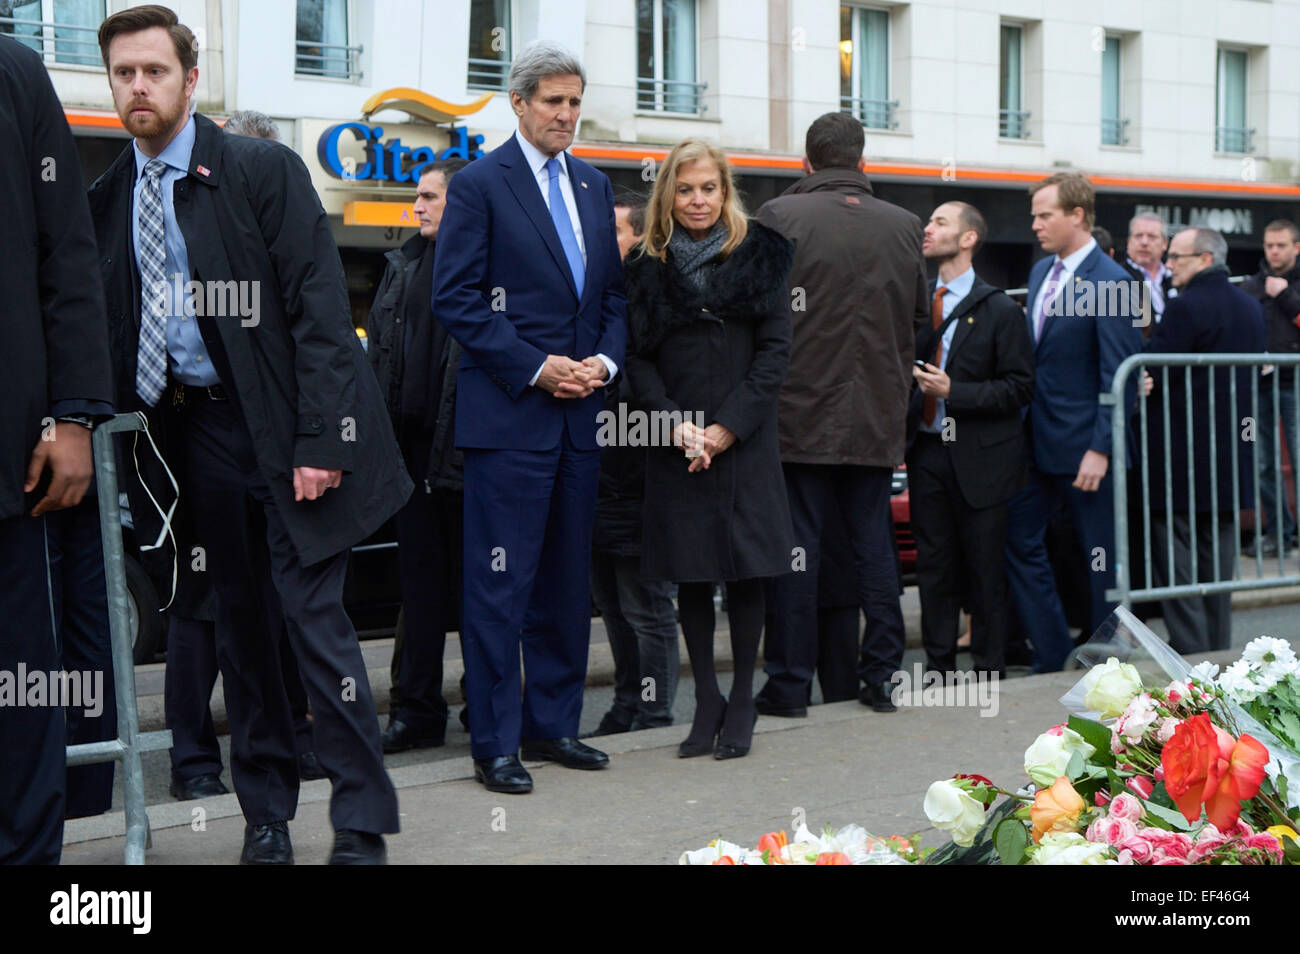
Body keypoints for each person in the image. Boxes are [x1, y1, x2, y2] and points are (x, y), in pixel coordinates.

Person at [87, 5, 409, 864]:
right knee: (239, 629)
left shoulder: (259, 169)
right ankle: (265, 816)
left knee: (316, 627)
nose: (139, 87)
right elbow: (107, 331)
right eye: (125, 74)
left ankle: (361, 821)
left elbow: (319, 311)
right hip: (199, 438)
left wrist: (321, 441)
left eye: (155, 71)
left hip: (292, 428)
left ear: (191, 81)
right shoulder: (110, 197)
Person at [432, 41, 626, 794]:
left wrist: (602, 366)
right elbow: (455, 298)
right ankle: (496, 743)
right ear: (519, 104)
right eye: (554, 101)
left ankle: (554, 727)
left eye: (575, 102)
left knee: (564, 585)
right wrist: (538, 366)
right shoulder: (480, 185)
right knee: (497, 589)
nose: (567, 114)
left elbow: (611, 298)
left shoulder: (591, 183)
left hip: (580, 419)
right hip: (511, 419)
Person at [624, 137, 794, 760]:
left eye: (710, 188)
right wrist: (673, 425)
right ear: (668, 193)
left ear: (727, 192)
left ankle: (743, 699)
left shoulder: (763, 255)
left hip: (742, 439)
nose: (698, 200)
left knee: (747, 569)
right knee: (691, 573)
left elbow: (776, 355)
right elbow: (635, 359)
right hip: (677, 441)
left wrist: (727, 429)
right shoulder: (644, 267)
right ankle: (706, 701)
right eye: (687, 189)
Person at [753, 111, 925, 715]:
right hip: (877, 413)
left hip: (797, 415)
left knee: (797, 551)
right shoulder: (904, 226)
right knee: (873, 547)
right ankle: (880, 678)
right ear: (862, 160)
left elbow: (755, 313)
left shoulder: (780, 215)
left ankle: (791, 685)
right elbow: (917, 320)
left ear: (806, 161)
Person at [0, 34, 114, 865]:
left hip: (10, 462)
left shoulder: (12, 68)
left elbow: (66, 253)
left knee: (18, 693)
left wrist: (73, 415)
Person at [1005, 172, 1142, 672]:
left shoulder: (1115, 281)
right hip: (1036, 442)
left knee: (1098, 555)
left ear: (1077, 216)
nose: (1035, 225)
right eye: (1034, 215)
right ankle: (1051, 653)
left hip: (1086, 448)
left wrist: (1102, 447)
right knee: (1019, 537)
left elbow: (1120, 374)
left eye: (1045, 215)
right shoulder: (1042, 272)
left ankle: (1109, 668)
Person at [367, 158, 467, 752]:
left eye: (430, 196)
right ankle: (417, 710)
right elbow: (381, 357)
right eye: (417, 195)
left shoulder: (485, 264)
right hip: (410, 453)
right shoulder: (402, 264)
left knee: (481, 585)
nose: (418, 205)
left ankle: (484, 703)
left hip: (467, 451)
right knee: (420, 587)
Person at [908, 201, 1034, 676]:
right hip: (925, 451)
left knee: (984, 567)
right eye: (930, 219)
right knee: (934, 566)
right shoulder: (919, 302)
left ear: (968, 238)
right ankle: (938, 667)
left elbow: (1021, 387)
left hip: (983, 460)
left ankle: (988, 667)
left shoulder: (1000, 309)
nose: (927, 227)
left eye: (939, 222)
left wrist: (954, 392)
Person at [1142, 228, 1264, 653]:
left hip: (1182, 460)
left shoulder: (1185, 307)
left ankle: (1193, 655)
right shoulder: (1250, 306)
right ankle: (1219, 652)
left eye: (1177, 256)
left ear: (1205, 259)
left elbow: (1154, 370)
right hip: (1230, 461)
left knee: (1179, 564)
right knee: (1219, 567)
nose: (1169, 263)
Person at [586, 191, 681, 736]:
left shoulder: (658, 302)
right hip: (600, 486)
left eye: (612, 232)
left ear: (641, 239)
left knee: (647, 609)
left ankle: (655, 714)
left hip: (644, 486)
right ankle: (627, 706)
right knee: (614, 611)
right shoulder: (599, 296)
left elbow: (662, 393)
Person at [1241, 219, 1300, 557]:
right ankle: (1278, 535)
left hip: (1294, 384)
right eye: (1269, 245)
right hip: (1259, 385)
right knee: (1263, 464)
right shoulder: (1251, 286)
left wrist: (1286, 296)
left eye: (1281, 245)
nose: (1274, 251)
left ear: (1296, 247)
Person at [1125, 212, 1175, 325]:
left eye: (1152, 236)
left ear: (1165, 243)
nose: (1144, 242)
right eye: (1138, 236)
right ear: (1128, 242)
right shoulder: (1116, 277)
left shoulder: (1176, 276)